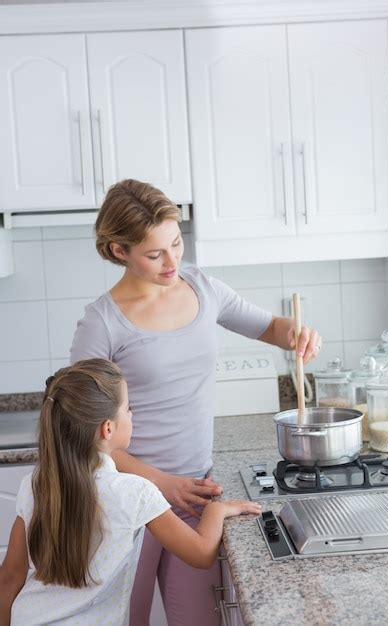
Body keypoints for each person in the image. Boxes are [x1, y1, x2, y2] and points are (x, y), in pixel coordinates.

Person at [69, 179, 322, 626]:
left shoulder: (203, 289)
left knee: (199, 620)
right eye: (154, 254)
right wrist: (160, 482)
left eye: (176, 243)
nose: (172, 262)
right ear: (117, 250)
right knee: (127, 619)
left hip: (196, 494)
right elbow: (83, 434)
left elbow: (271, 326)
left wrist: (298, 334)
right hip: (127, 499)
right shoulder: (101, 323)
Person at [0, 359, 261, 626]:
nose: (132, 415)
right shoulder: (134, 492)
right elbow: (202, 553)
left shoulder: (35, 484)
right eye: (128, 408)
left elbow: (10, 577)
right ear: (108, 428)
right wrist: (218, 509)